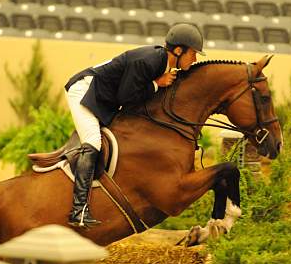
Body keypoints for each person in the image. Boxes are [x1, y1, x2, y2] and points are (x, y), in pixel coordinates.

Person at [64, 23, 205, 228]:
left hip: (102, 96)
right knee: (93, 142)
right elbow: (127, 97)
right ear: (178, 50)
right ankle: (78, 210)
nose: (195, 59)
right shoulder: (149, 61)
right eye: (193, 53)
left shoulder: (161, 63)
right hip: (84, 90)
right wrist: (158, 84)